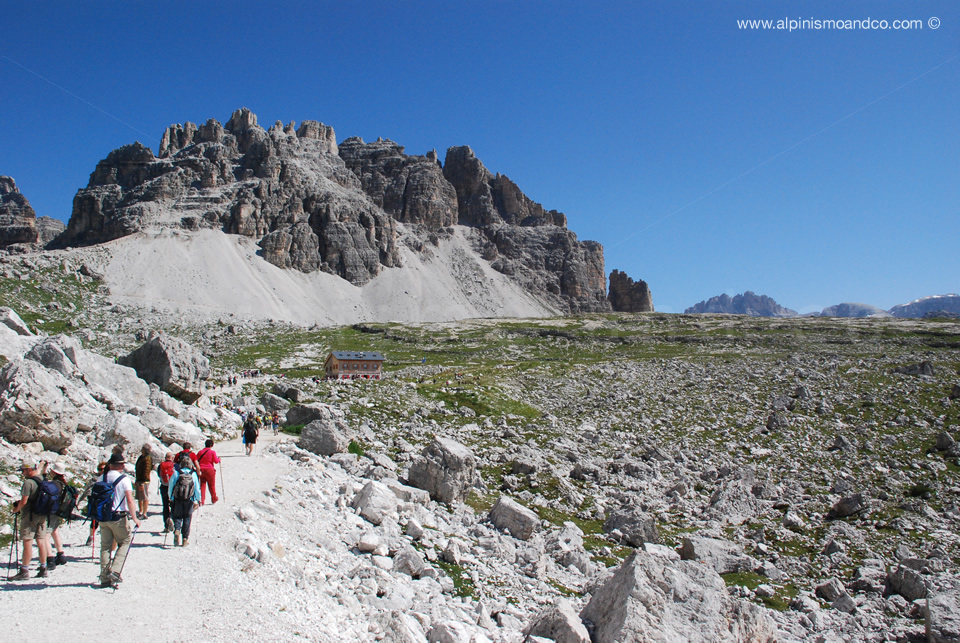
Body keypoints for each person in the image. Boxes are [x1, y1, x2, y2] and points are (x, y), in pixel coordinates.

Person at [98, 453, 141, 589]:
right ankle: (115, 571)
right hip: (118, 516)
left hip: (103, 517)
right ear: (122, 465)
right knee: (125, 541)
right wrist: (135, 517)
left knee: (105, 547)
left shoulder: (101, 477)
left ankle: (104, 578)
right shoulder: (124, 479)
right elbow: (129, 499)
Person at [9, 458, 51, 580]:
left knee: (27, 542)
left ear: (28, 470)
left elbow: (24, 501)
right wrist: (43, 466)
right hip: (42, 515)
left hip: (30, 516)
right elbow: (39, 471)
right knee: (41, 540)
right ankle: (43, 568)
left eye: (23, 471)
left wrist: (16, 510)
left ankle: (24, 570)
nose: (22, 473)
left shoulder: (28, 483)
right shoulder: (41, 479)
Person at [44, 461, 71, 571]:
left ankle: (50, 559)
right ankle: (60, 555)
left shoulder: (53, 484)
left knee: (45, 536)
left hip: (51, 512)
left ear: (54, 472)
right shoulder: (63, 484)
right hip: (59, 511)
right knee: (55, 531)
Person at [168, 456, 200, 547]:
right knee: (187, 518)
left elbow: (171, 486)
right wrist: (198, 499)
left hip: (178, 499)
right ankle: (185, 539)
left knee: (177, 516)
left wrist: (171, 497)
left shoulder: (176, 473)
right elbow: (197, 488)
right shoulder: (193, 474)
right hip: (189, 500)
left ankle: (177, 530)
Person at [79, 461, 109, 547]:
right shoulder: (94, 479)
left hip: (104, 501)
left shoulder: (109, 478)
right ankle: (91, 536)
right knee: (94, 520)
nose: (101, 471)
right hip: (95, 501)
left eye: (103, 469)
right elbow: (87, 490)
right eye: (100, 469)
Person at [195, 439, 221, 505]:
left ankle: (202, 500)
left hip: (201, 470)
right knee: (211, 485)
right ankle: (214, 498)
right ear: (211, 445)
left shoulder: (200, 452)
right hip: (210, 470)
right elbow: (216, 461)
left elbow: (196, 460)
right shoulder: (212, 452)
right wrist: (219, 459)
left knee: (202, 485)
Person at [157, 452, 175, 532]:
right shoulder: (174, 465)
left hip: (164, 487)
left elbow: (158, 475)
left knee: (165, 506)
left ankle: (166, 525)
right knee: (173, 505)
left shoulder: (160, 465)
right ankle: (175, 523)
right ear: (172, 458)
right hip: (173, 488)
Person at [134, 445, 152, 520]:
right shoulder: (141, 457)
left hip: (144, 481)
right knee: (139, 496)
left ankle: (144, 512)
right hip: (139, 479)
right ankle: (140, 511)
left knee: (144, 496)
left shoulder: (147, 459)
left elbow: (147, 470)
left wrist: (143, 481)